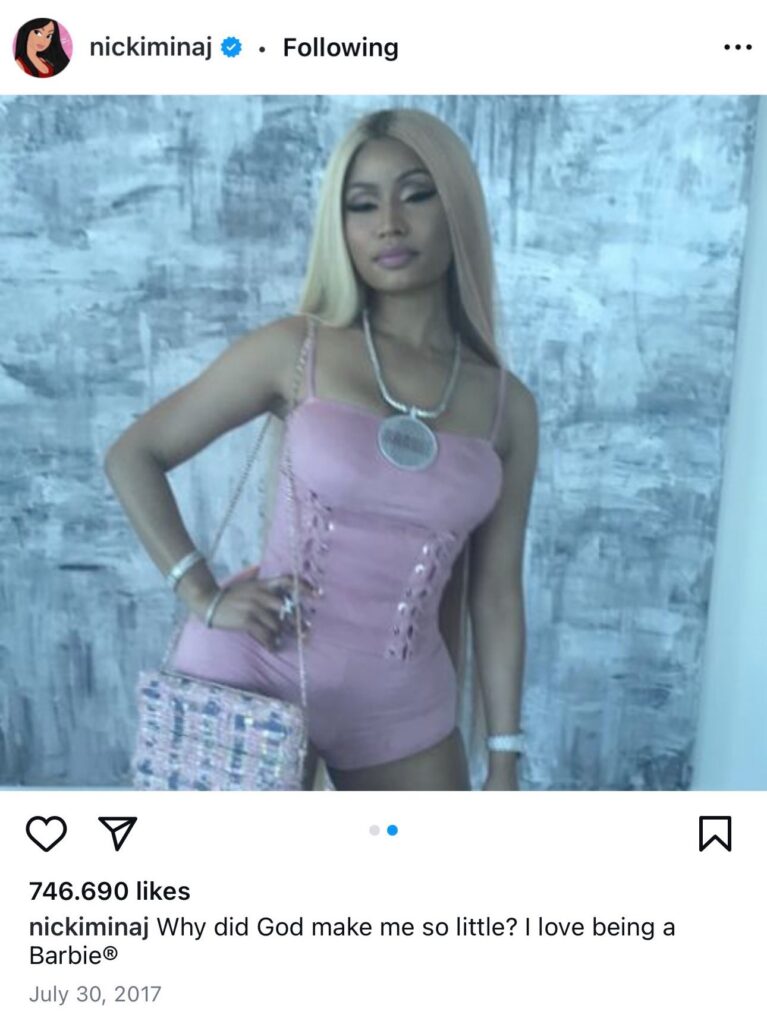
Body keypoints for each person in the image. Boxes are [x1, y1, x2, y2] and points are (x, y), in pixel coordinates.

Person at [104, 108, 538, 791]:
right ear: (340, 227)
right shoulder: (294, 348)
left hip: (403, 706)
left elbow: (496, 593)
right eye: (361, 205)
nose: (388, 224)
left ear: (456, 206)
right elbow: (135, 454)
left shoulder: (509, 408)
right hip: (251, 671)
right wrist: (200, 592)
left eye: (416, 195)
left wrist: (505, 758)